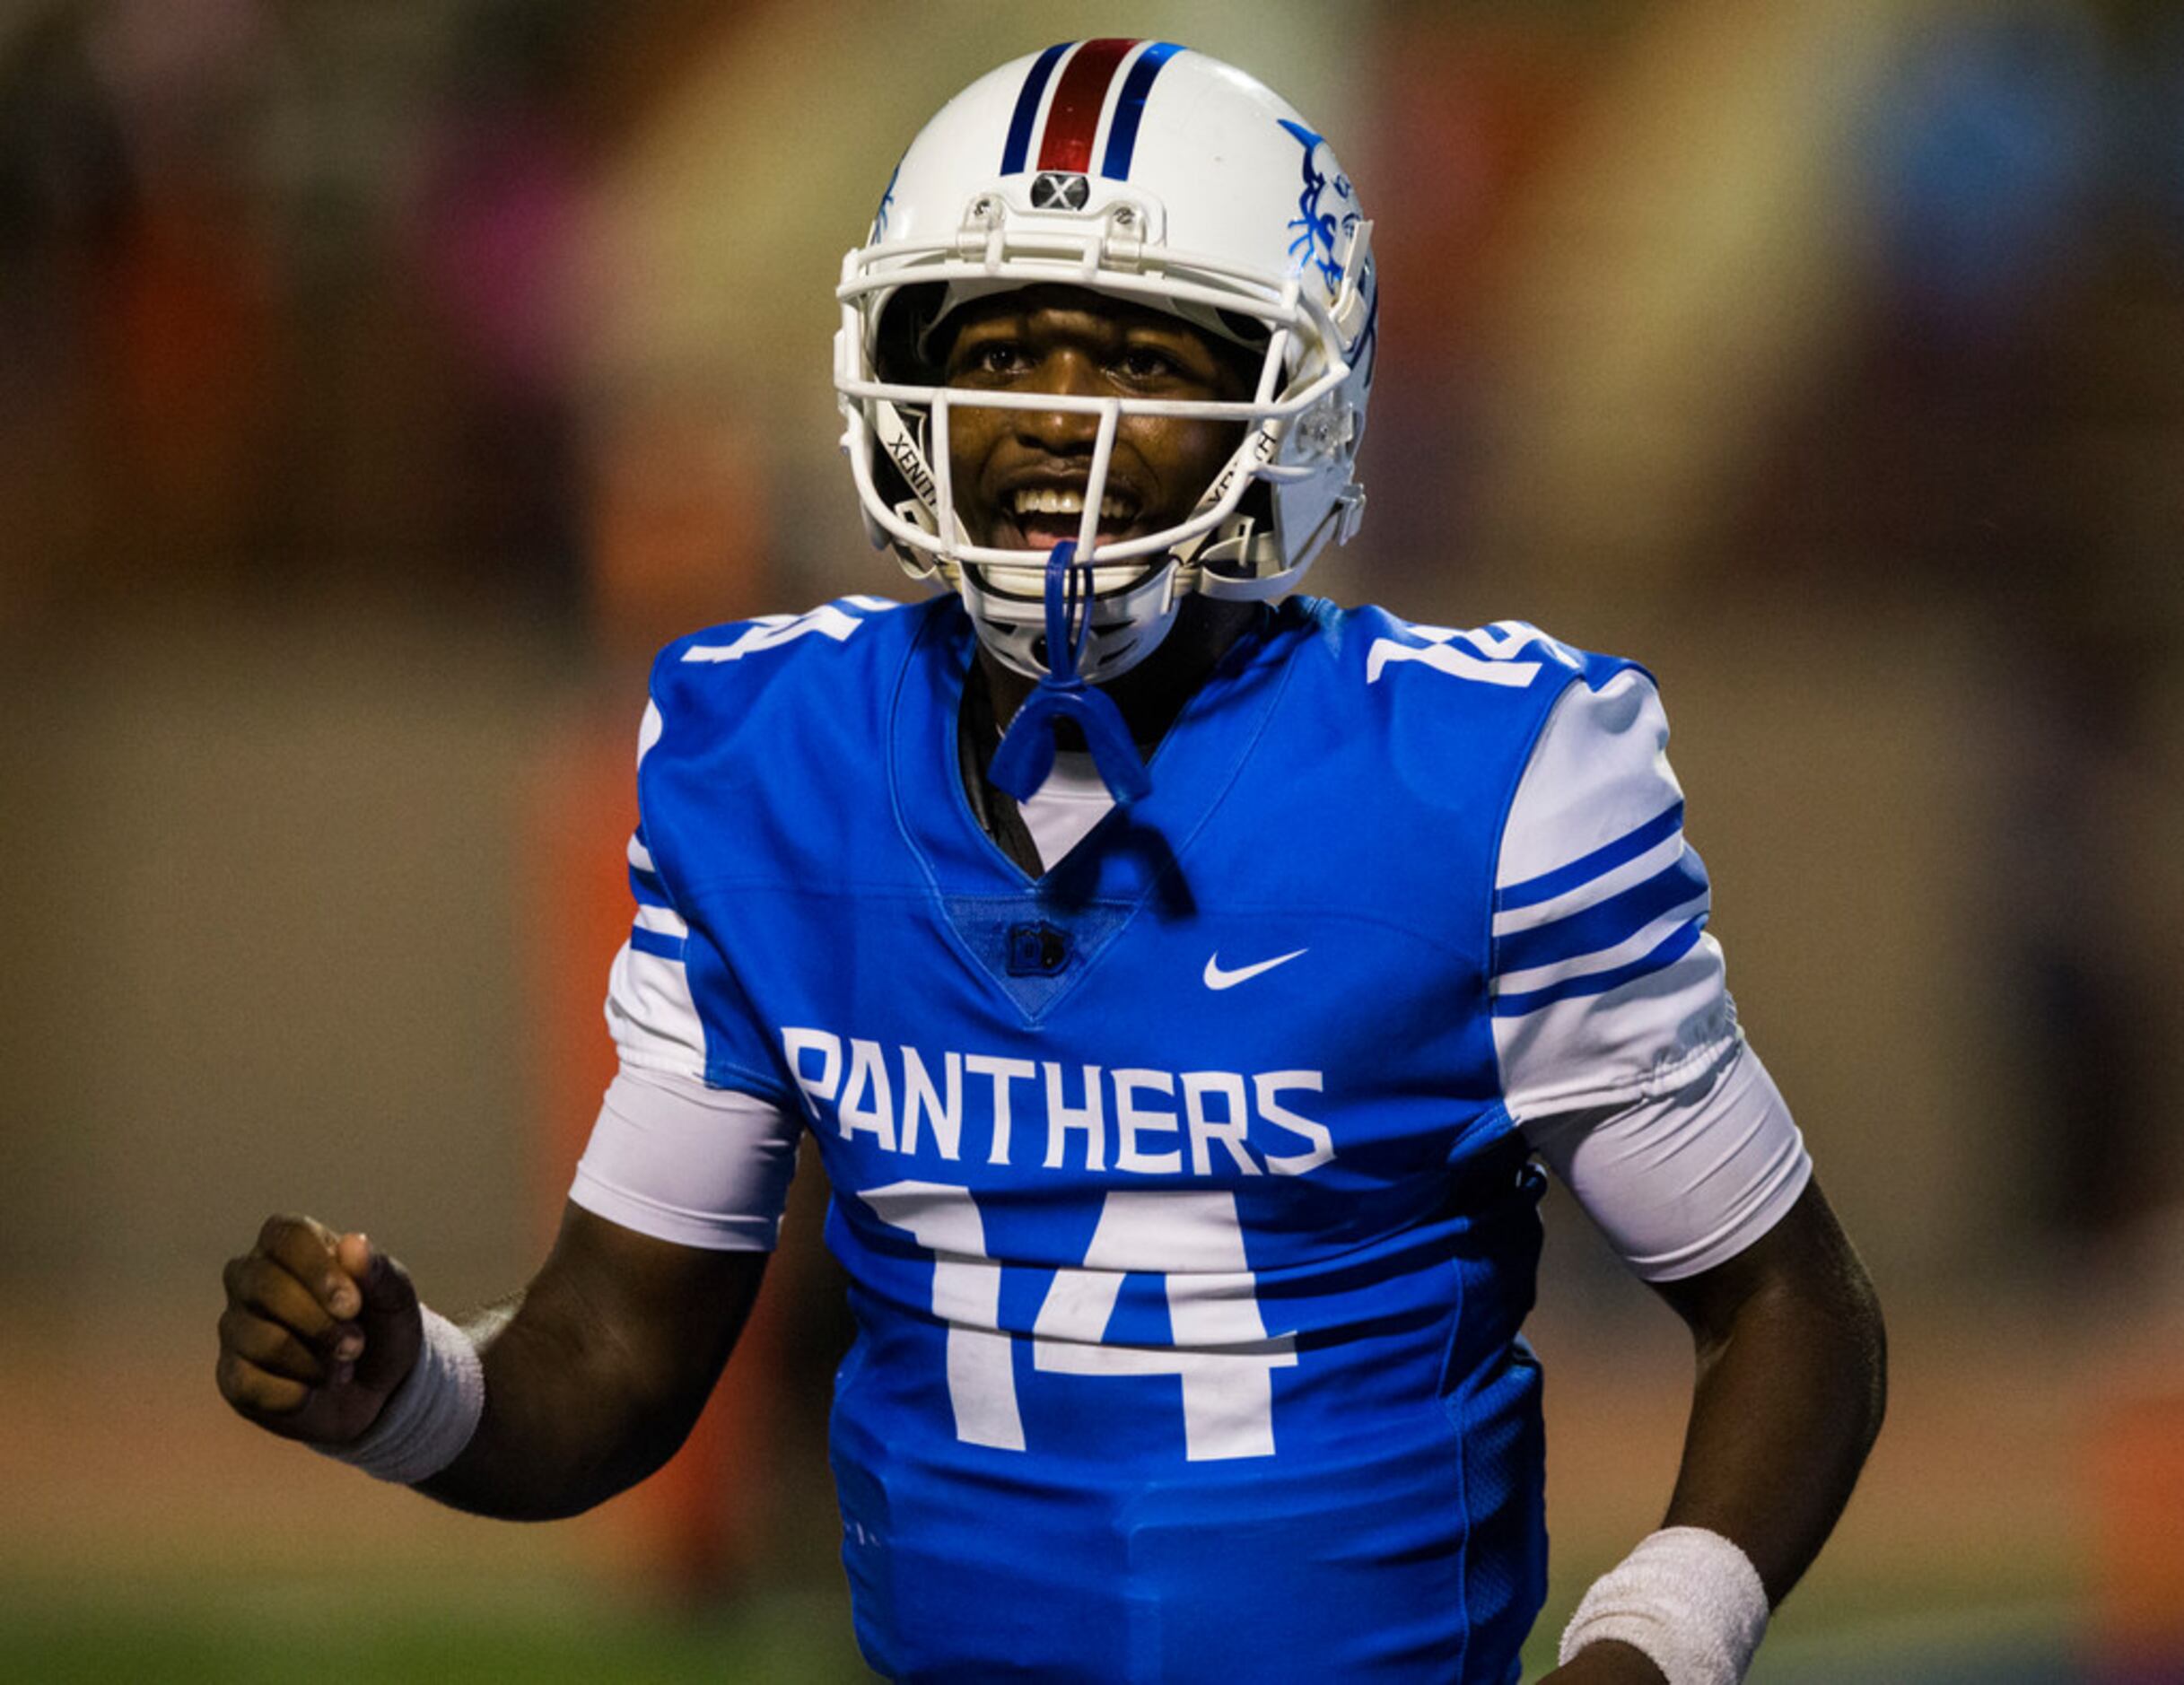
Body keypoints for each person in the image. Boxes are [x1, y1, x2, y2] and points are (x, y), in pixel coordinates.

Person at [215, 40, 1884, 1684]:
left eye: (1135, 361)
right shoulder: (762, 759)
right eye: (1000, 348)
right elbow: (614, 1350)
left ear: (1281, 399)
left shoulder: (1485, 783)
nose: (1050, 420)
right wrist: (403, 1388)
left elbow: (1789, 1313)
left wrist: (1653, 1639)